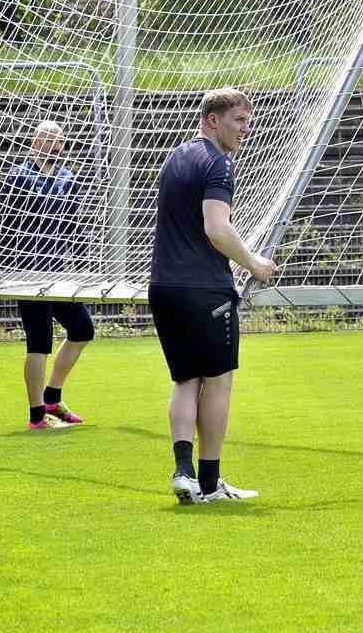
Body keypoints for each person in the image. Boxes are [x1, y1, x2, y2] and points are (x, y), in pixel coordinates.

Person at [148, 88, 278, 504]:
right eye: (239, 120)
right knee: (218, 383)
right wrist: (253, 263)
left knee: (185, 380)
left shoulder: (175, 157)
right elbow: (216, 228)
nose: (246, 128)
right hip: (204, 290)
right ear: (212, 120)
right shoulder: (218, 163)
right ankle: (209, 483)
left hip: (163, 288)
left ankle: (184, 474)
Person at [0, 120, 93, 431]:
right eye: (50, 138)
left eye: (60, 139)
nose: (56, 144)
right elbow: (4, 223)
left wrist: (82, 258)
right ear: (34, 142)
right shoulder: (18, 176)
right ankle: (37, 415)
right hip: (26, 272)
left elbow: (71, 222)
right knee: (39, 343)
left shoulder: (66, 177)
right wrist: (1, 266)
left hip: (57, 272)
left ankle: (53, 396)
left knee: (82, 329)